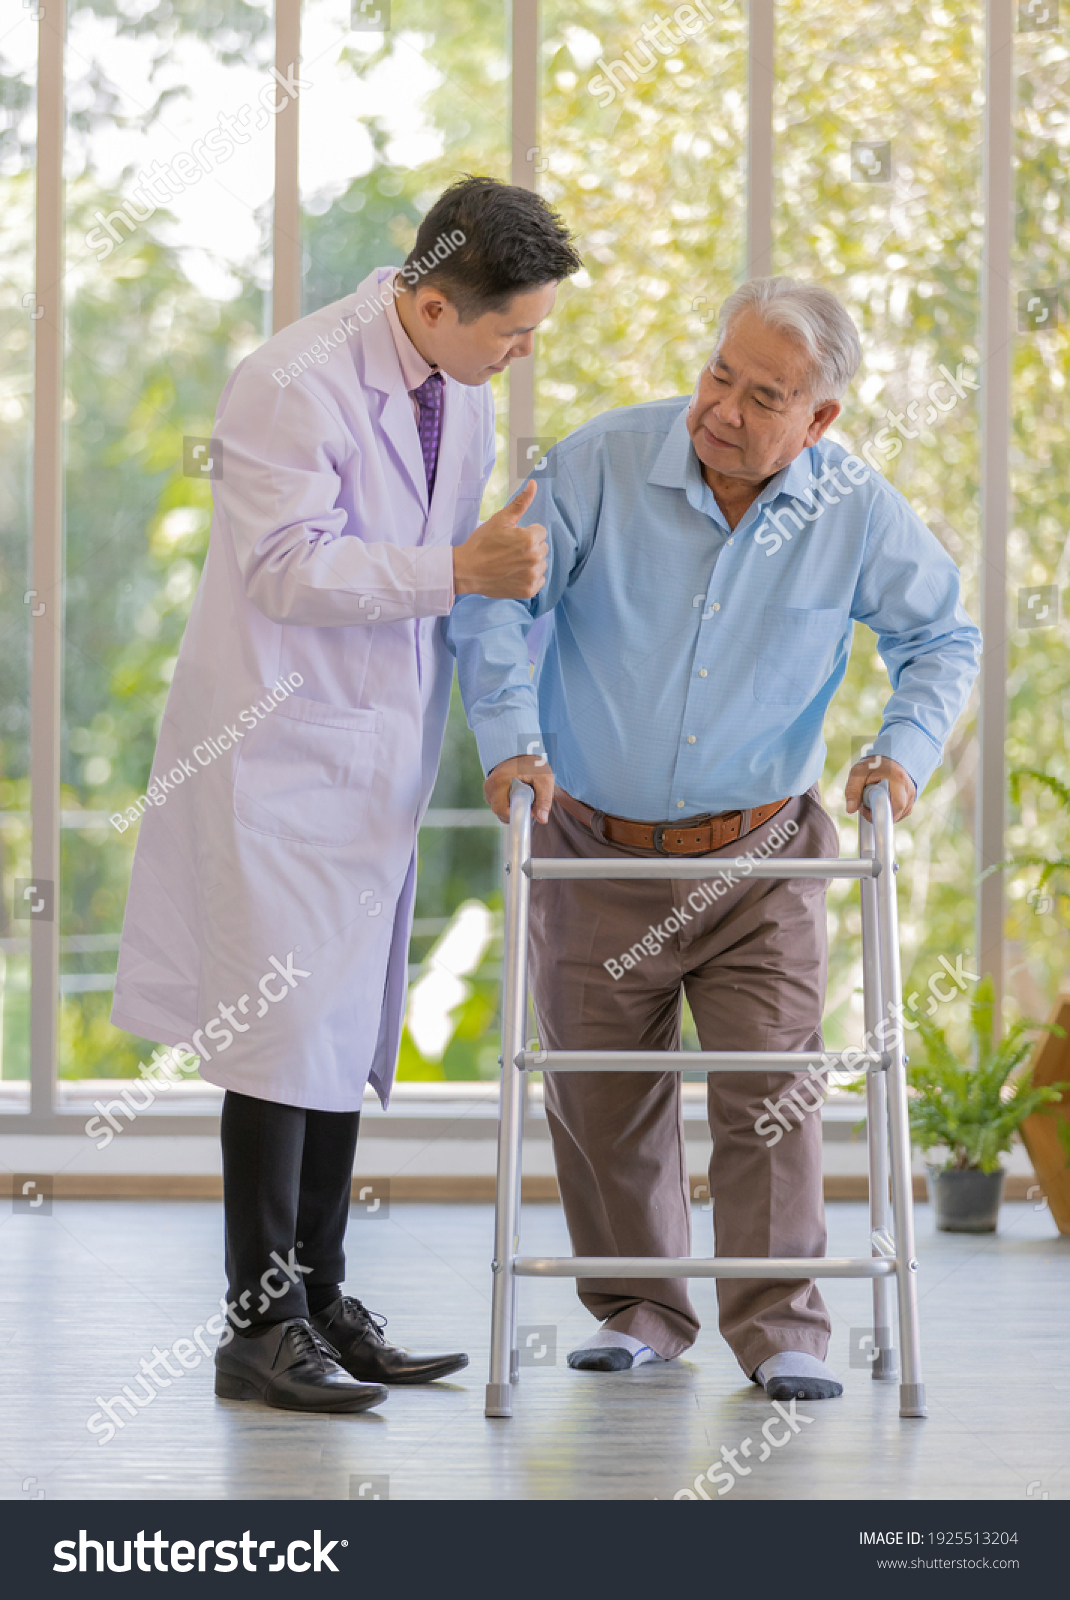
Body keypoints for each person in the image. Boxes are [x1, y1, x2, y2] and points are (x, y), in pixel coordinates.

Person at [448, 276, 981, 1402]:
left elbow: (941, 637)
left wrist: (900, 754)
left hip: (762, 859)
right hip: (593, 846)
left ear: (819, 418)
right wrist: (510, 741)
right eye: (716, 376)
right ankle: (639, 1310)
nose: (723, 411)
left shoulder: (853, 508)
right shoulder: (600, 464)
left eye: (763, 397)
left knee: (770, 1090)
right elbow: (493, 600)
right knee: (600, 1097)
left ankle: (780, 1326)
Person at [112, 176, 582, 1414]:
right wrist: (455, 567)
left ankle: (320, 1300)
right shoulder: (290, 380)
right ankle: (258, 1326)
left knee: (331, 1037)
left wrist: (472, 599)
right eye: (513, 330)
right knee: (278, 1043)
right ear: (432, 306)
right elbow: (283, 567)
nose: (523, 352)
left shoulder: (456, 387)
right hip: (275, 754)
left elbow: (442, 571)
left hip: (370, 759)